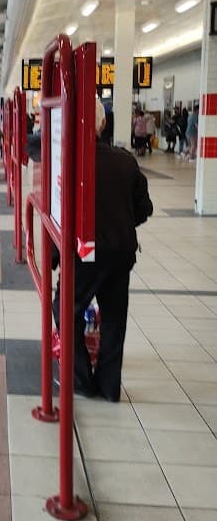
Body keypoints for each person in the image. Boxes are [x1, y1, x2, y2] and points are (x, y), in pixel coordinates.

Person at [53, 98, 153, 401]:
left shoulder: (67, 162)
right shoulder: (125, 160)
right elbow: (144, 208)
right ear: (102, 124)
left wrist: (56, 256)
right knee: (113, 319)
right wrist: (120, 225)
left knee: (66, 310)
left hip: (84, 253)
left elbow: (59, 214)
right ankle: (110, 387)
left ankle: (81, 381)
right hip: (120, 252)